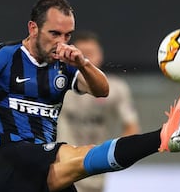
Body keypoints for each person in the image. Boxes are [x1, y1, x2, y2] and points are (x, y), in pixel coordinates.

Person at [0, 0, 180, 192]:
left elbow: (102, 90)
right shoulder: (5, 57)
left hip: (42, 163)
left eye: (67, 35)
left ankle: (162, 138)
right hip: (9, 158)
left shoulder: (64, 65)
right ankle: (162, 136)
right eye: (54, 33)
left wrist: (83, 63)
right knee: (81, 156)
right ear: (33, 28)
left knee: (81, 158)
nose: (61, 42)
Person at [57, 30, 141, 192]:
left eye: (91, 54)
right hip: (63, 169)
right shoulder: (59, 84)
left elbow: (131, 126)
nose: (86, 59)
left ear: (100, 55)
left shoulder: (116, 88)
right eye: (82, 54)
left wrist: (114, 154)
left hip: (95, 172)